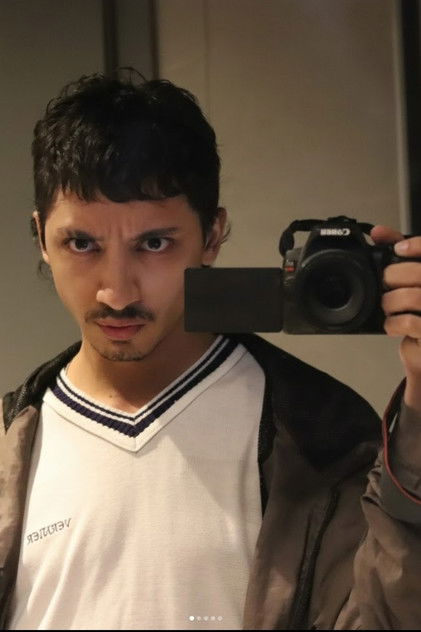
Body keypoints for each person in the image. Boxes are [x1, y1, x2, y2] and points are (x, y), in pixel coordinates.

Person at [1, 70, 421, 631]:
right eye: (82, 243)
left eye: (154, 243)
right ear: (41, 238)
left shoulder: (322, 433)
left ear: (213, 235)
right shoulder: (11, 442)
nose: (116, 292)